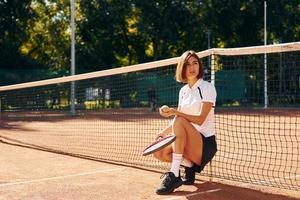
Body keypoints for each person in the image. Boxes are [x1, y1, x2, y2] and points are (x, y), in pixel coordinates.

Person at [154, 50, 217, 195]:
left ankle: (174, 174)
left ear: (199, 66)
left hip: (204, 145)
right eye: (187, 64)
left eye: (195, 63)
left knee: (180, 119)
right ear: (182, 68)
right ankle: (189, 166)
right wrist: (162, 133)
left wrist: (176, 112)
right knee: (159, 152)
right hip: (188, 141)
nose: (192, 67)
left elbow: (200, 120)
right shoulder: (183, 91)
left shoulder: (208, 88)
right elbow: (178, 121)